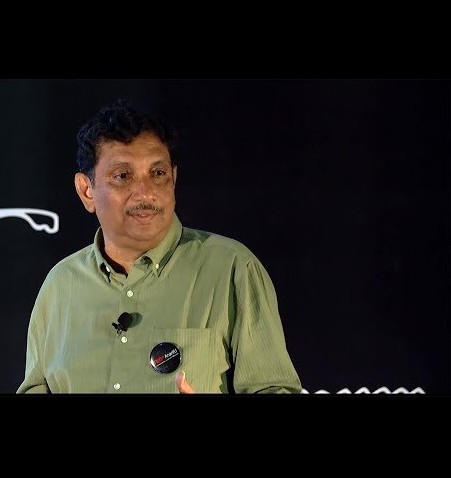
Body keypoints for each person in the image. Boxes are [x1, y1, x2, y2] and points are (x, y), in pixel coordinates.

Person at [16, 99, 302, 394]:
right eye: (123, 176)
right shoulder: (60, 285)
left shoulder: (232, 268)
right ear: (86, 190)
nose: (145, 193)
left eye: (158, 174)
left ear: (173, 179)